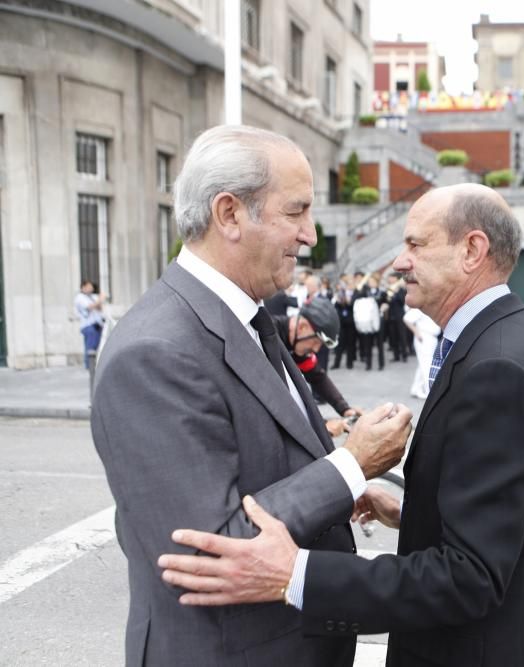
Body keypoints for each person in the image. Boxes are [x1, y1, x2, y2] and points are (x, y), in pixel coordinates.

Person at [159, 183, 524, 667]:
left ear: (472, 250)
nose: (399, 262)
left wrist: (294, 573)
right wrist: (416, 512)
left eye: (416, 245)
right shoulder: (510, 338)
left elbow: (469, 577)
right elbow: (504, 521)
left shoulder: (498, 369)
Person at [90, 125, 412, 666]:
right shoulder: (156, 351)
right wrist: (351, 467)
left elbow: (260, 463)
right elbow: (205, 546)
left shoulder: (246, 318)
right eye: (296, 212)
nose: (310, 235)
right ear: (230, 214)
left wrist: (336, 484)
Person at [273, 297, 362, 436]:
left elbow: (318, 378)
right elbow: (281, 399)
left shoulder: (298, 346)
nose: (316, 349)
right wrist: (322, 425)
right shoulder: (269, 337)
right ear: (302, 327)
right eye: (316, 341)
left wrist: (344, 408)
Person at [402, 306, 439, 399]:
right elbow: (406, 318)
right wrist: (417, 332)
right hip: (424, 337)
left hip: (431, 337)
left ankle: (416, 389)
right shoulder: (421, 306)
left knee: (423, 364)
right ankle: (429, 391)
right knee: (427, 365)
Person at [74, 280, 105, 369]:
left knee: (96, 346)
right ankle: (89, 365)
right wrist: (100, 299)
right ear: (83, 287)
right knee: (90, 346)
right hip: (88, 325)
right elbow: (90, 306)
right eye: (88, 286)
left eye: (91, 287)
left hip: (97, 324)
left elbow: (99, 308)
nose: (91, 288)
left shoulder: (92, 297)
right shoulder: (80, 298)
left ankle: (93, 364)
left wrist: (99, 301)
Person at [385, 273, 409, 362]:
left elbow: (402, 301)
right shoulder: (388, 289)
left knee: (402, 336)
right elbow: (386, 301)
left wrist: (396, 292)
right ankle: (396, 356)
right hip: (391, 316)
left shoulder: (401, 289)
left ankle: (404, 355)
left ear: (396, 279)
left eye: (391, 277)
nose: (390, 279)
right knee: (393, 337)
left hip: (400, 316)